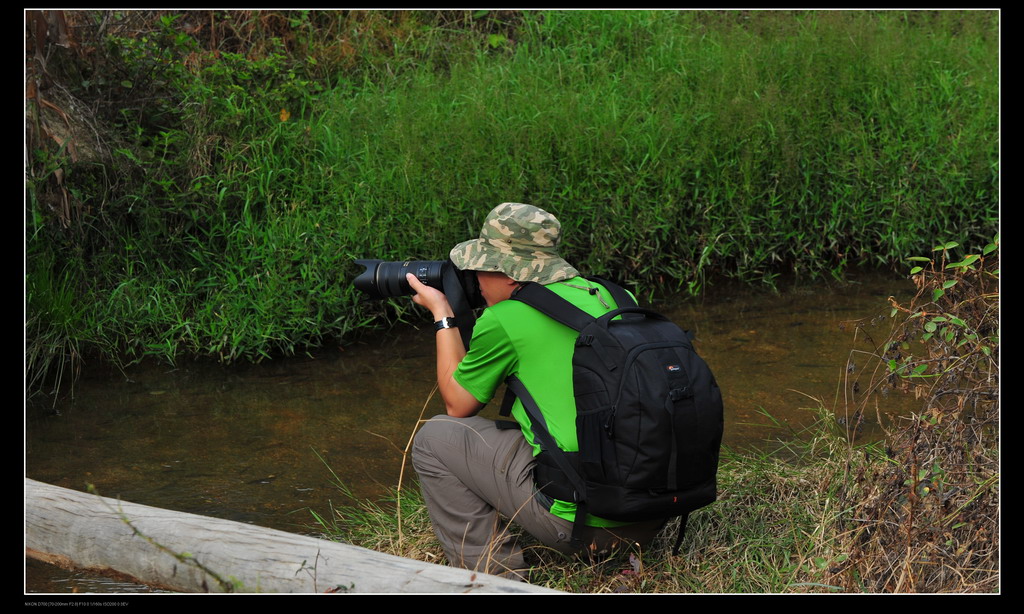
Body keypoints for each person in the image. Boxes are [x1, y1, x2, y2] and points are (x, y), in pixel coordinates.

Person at [406, 202, 665, 581]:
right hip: (652, 512)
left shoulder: (506, 319)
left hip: (581, 528)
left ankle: (495, 580)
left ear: (510, 274)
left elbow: (457, 404)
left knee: (434, 438)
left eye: (481, 268)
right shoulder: (613, 295)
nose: (476, 280)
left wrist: (443, 315)